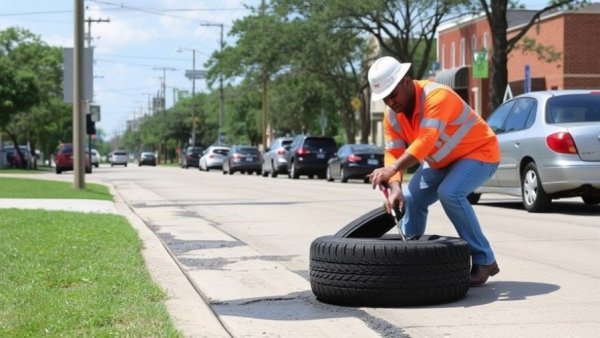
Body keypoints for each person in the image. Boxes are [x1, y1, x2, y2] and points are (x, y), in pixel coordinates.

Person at [367, 56, 501, 286]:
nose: (390, 102)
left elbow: (426, 141)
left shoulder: (437, 96)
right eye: (385, 98)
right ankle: (411, 257)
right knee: (410, 198)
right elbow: (394, 152)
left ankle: (485, 260)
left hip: (480, 153)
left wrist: (392, 169)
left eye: (393, 94)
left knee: (450, 193)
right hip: (441, 162)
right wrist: (395, 186)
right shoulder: (392, 116)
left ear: (407, 81)